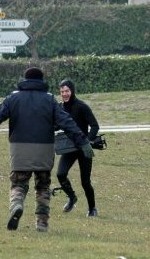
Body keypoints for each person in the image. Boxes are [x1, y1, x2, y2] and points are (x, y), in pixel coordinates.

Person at [0, 67, 94, 232]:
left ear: (25, 80)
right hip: (44, 149)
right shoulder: (49, 99)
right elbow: (67, 122)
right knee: (43, 187)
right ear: (41, 81)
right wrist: (83, 142)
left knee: (18, 183)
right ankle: (42, 223)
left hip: (20, 149)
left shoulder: (13, 98)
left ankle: (17, 204)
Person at [56, 79, 100, 217]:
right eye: (62, 91)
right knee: (60, 174)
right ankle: (72, 197)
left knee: (85, 181)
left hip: (84, 148)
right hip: (69, 148)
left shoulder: (81, 106)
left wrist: (87, 141)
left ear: (72, 91)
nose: (65, 94)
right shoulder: (60, 107)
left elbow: (95, 126)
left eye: (67, 91)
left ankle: (92, 209)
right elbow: (57, 125)